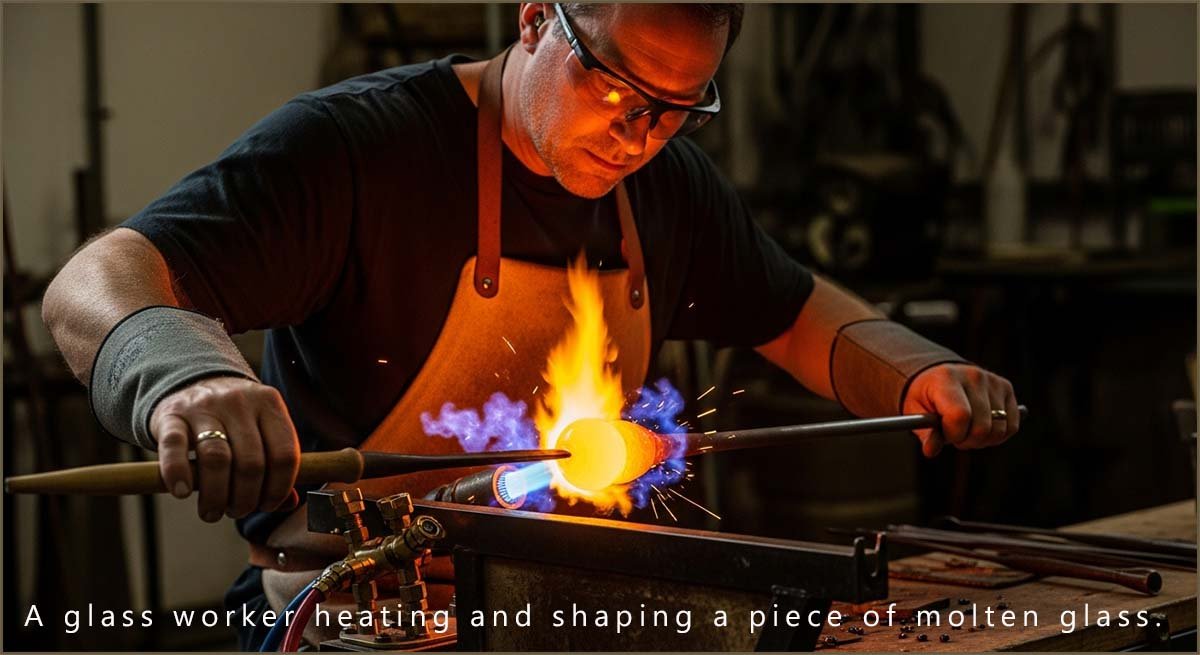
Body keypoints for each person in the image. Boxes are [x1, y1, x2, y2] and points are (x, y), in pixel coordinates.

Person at [41, 3, 1020, 649]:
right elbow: (93, 281)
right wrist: (184, 376)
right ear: (536, 19)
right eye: (616, 85)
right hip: (357, 619)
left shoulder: (666, 190)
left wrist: (917, 371)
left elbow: (798, 312)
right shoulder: (358, 151)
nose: (641, 132)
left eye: (678, 108)